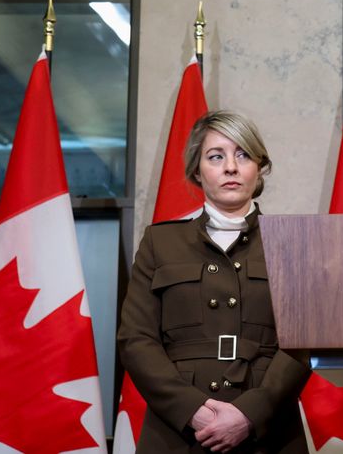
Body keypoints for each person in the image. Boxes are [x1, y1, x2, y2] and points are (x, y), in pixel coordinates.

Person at [119, 111, 311, 453]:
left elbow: (303, 342)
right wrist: (193, 411)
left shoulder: (290, 241)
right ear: (197, 169)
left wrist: (250, 413)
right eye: (216, 156)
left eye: (244, 155)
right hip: (176, 431)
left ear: (259, 168)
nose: (231, 168)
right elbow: (136, 339)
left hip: (269, 429)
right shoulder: (159, 242)